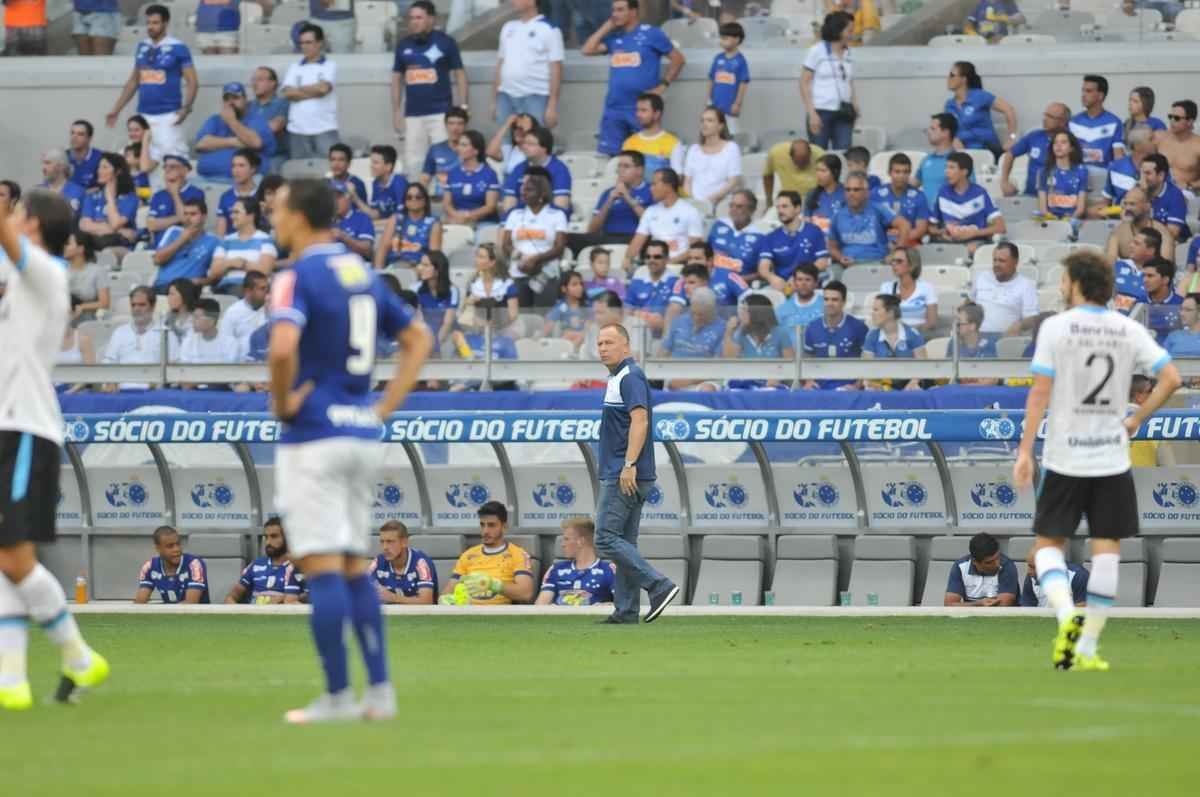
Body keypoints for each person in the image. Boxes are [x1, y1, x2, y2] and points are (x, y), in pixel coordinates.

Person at [267, 176, 432, 722]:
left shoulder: (296, 275)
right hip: (361, 431)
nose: (272, 215)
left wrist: (283, 402)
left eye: (278, 206)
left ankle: (337, 695)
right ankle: (379, 692)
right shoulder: (362, 271)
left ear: (297, 215)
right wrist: (382, 407)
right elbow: (419, 339)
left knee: (321, 564)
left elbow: (283, 345)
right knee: (356, 564)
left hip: (314, 434)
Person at [1013, 250, 1182, 671]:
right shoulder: (1125, 328)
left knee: (1048, 546)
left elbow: (1039, 392)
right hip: (1109, 455)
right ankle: (1088, 644)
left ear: (1075, 282)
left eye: (1064, 277)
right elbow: (1172, 378)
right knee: (1107, 551)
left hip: (1065, 454)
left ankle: (1066, 615)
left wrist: (1024, 450)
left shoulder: (1055, 327)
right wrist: (1137, 418)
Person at [0, 189, 111, 712]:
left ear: (35, 224)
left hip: (27, 431)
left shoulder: (45, 270)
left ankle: (78, 655)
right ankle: (13, 680)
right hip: (9, 428)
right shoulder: (23, 281)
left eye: (19, 213)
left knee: (14, 555)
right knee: (5, 558)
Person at [593, 323, 679, 623]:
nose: (602, 348)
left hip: (624, 472)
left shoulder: (629, 377)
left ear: (626, 347)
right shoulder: (618, 377)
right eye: (600, 343)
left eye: (609, 342)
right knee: (624, 543)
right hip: (628, 471)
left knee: (604, 538)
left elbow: (639, 421)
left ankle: (658, 585)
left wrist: (628, 465)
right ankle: (626, 610)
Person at [582, 0, 684, 157]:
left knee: (643, 158)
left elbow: (678, 59)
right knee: (610, 158)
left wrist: (663, 86)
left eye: (620, 10)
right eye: (613, 10)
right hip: (614, 108)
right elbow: (587, 50)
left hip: (641, 109)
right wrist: (607, 27)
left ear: (633, 11)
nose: (615, 14)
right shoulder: (614, 38)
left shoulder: (652, 33)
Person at [105, 5, 198, 165]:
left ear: (165, 23)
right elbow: (134, 81)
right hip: (143, 116)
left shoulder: (178, 47)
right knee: (135, 160)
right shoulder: (142, 46)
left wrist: (186, 108)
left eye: (155, 23)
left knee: (172, 160)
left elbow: (193, 82)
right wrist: (116, 109)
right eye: (148, 23)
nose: (150, 27)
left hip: (168, 115)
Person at [392, 1, 467, 178]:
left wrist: (463, 107)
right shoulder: (403, 45)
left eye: (419, 17)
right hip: (413, 114)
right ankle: (417, 199)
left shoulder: (446, 42)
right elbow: (396, 78)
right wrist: (396, 111)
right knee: (414, 161)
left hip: (441, 113)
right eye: (411, 18)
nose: (414, 22)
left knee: (445, 160)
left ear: (431, 19)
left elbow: (460, 74)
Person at [442, 502, 536, 605]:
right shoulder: (468, 555)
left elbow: (526, 593)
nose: (485, 531)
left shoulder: (518, 554)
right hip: (468, 612)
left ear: (504, 527)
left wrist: (494, 585)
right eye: (482, 525)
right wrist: (446, 600)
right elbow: (448, 591)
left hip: (500, 615)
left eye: (491, 525)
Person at [500, 173, 567, 307]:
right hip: (518, 271)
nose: (523, 192)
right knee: (521, 318)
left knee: (543, 317)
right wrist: (522, 258)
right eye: (523, 189)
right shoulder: (514, 215)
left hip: (546, 274)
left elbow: (559, 247)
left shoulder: (557, 215)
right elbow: (506, 244)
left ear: (542, 194)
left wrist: (536, 260)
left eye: (529, 190)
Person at [493, 0, 564, 128]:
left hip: (536, 95)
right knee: (505, 142)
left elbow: (556, 68)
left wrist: (552, 105)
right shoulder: (508, 27)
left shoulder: (550, 28)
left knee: (533, 141)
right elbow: (500, 63)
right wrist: (494, 99)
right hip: (506, 95)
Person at [624, 168, 703, 270]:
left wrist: (669, 263)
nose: (651, 188)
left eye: (654, 184)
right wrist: (627, 259)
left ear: (668, 186)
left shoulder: (690, 212)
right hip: (653, 265)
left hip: (679, 266)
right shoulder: (650, 211)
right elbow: (637, 241)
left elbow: (695, 249)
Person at [828, 172, 908, 272]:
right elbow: (832, 246)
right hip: (847, 265)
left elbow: (904, 225)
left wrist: (895, 253)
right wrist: (840, 258)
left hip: (876, 263)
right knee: (832, 273)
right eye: (847, 190)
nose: (851, 193)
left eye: (856, 190)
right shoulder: (838, 215)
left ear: (866, 192)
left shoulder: (878, 209)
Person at [802, 12, 859, 151]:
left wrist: (855, 103)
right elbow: (804, 82)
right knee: (819, 155)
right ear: (838, 30)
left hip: (844, 112)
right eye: (849, 30)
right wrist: (812, 113)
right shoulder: (817, 51)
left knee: (844, 152)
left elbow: (849, 80)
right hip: (821, 111)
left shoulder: (848, 53)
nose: (852, 34)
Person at [929, 151, 1006, 254]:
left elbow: (1000, 227)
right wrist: (942, 232)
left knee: (971, 249)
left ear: (964, 172)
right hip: (949, 242)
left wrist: (973, 233)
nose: (946, 171)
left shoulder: (980, 194)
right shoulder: (943, 193)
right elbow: (931, 227)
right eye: (946, 167)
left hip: (975, 241)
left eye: (951, 168)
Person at [281, 24, 339, 161]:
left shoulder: (330, 65)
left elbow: (323, 89)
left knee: (328, 173)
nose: (304, 46)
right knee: (300, 176)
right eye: (301, 43)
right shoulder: (294, 67)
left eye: (309, 42)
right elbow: (288, 94)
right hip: (297, 131)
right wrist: (314, 90)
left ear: (320, 43)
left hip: (324, 129)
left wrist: (298, 89)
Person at [943, 61, 1018, 160]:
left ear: (963, 79)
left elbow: (1009, 110)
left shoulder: (980, 96)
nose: (948, 78)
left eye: (952, 75)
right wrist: (954, 139)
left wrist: (1011, 138)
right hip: (963, 155)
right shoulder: (949, 105)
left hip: (986, 150)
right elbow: (947, 130)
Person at [756, 191, 829, 291]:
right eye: (778, 207)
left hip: (807, 284)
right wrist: (772, 278)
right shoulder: (771, 237)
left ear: (797, 209)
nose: (780, 211)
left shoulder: (814, 231)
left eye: (785, 206)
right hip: (781, 286)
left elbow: (822, 262)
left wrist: (799, 277)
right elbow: (763, 267)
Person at [802, 280, 868, 390]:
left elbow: (868, 361)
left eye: (835, 300)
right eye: (826, 299)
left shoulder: (859, 327)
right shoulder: (812, 327)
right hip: (819, 386)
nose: (829, 303)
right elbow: (807, 358)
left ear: (844, 302)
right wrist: (809, 381)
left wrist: (857, 385)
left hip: (848, 387)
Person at [535, 519, 615, 606]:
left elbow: (623, 604)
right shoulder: (556, 569)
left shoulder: (609, 570)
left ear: (581, 541)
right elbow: (541, 604)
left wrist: (607, 605)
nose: (562, 544)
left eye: (566, 539)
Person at [224, 519, 304, 605]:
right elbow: (231, 597)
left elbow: (309, 596)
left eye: (274, 536)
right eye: (266, 537)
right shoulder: (256, 565)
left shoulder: (299, 566)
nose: (268, 542)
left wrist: (285, 598)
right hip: (254, 616)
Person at [723, 293, 794, 389]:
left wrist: (778, 377)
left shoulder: (780, 333)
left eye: (745, 310)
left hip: (772, 382)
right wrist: (728, 333)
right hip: (746, 381)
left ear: (757, 313)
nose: (741, 314)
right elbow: (729, 358)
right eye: (741, 310)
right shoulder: (741, 332)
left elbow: (790, 363)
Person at [1001, 102, 1071, 198]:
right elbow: (1010, 154)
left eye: (1050, 117)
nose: (1045, 119)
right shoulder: (1034, 136)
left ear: (1063, 122)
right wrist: (1004, 181)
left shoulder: (1071, 141)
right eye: (1045, 115)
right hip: (1030, 195)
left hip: (1058, 198)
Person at [659, 287, 724, 389]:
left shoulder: (722, 327)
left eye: (701, 315)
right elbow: (664, 353)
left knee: (707, 390)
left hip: (705, 377)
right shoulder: (678, 321)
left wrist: (690, 380)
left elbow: (718, 366)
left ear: (712, 310)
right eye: (693, 313)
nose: (696, 318)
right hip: (676, 373)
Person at [969, 242, 1037, 336]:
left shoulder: (1026, 285)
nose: (996, 264)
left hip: (1005, 341)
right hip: (977, 337)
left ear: (1015, 262)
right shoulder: (982, 277)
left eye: (1001, 261)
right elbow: (969, 302)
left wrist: (1020, 325)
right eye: (994, 260)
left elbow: (1032, 318)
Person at [500, 128, 573, 217]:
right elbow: (509, 202)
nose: (525, 147)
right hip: (521, 219)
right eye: (524, 143)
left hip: (549, 221)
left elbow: (561, 205)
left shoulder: (559, 169)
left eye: (531, 144)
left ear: (544, 148)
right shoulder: (519, 168)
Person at [152, 197, 219, 293]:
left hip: (189, 289)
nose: (187, 218)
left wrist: (200, 281)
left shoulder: (213, 241)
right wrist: (181, 240)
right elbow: (157, 260)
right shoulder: (173, 231)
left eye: (193, 214)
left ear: (204, 217)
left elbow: (216, 277)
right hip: (163, 285)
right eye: (185, 214)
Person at [862, 293, 927, 391]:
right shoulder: (872, 336)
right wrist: (874, 385)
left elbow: (923, 367)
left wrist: (912, 384)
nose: (872, 313)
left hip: (909, 387)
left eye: (876, 310)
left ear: (890, 312)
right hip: (881, 387)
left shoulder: (913, 334)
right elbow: (866, 371)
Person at [662, 256, 746, 329]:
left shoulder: (721, 322)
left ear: (705, 283)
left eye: (692, 283)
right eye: (685, 283)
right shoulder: (682, 321)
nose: (685, 287)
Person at [78, 152, 139, 252]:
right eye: (99, 167)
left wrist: (109, 198)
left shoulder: (130, 198)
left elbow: (115, 223)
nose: (99, 171)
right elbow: (85, 225)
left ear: (118, 171)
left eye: (105, 167)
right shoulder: (92, 196)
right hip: (94, 242)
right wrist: (119, 231)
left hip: (119, 247)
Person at [133, 526, 210, 604]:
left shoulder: (194, 564)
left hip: (195, 615)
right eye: (170, 546)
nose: (176, 549)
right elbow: (140, 603)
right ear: (158, 548)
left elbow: (191, 603)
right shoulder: (149, 567)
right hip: (169, 613)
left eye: (178, 544)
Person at [682, 108, 742, 207]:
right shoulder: (694, 149)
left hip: (721, 203)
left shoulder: (731, 148)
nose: (704, 124)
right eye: (702, 120)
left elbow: (733, 181)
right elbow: (687, 181)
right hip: (694, 204)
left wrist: (712, 199)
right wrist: (692, 202)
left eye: (710, 120)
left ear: (720, 126)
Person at [368, 521, 437, 605]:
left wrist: (392, 597)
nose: (385, 547)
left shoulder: (421, 563)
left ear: (404, 542)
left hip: (420, 615)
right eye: (382, 542)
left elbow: (426, 601)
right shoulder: (379, 561)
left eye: (390, 542)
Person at [1069, 74, 1126, 177]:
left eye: (1089, 91)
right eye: (1083, 90)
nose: (1083, 95)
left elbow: (1119, 157)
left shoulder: (1114, 122)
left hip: (1103, 177)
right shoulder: (1073, 122)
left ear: (1100, 95)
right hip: (1077, 177)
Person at [442, 131, 500, 229]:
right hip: (457, 220)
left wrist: (468, 215)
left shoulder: (489, 174)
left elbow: (490, 206)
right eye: (459, 144)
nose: (458, 148)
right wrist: (456, 215)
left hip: (483, 222)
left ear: (476, 151)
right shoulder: (453, 173)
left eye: (464, 145)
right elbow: (447, 204)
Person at [943, 532, 1019, 606]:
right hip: (972, 616)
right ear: (974, 562)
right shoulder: (960, 567)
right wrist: (977, 604)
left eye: (998, 557)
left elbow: (1003, 605)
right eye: (989, 562)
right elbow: (949, 605)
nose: (997, 564)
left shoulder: (1007, 566)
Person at [377, 183, 441, 269]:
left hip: (418, 268)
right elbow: (382, 249)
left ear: (425, 201)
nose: (413, 200)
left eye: (418, 197)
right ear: (405, 202)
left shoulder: (433, 223)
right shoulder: (396, 219)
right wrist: (378, 273)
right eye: (409, 197)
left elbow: (434, 257)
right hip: (393, 266)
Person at [589, 150, 652, 237]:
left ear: (640, 170)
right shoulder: (608, 193)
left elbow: (653, 225)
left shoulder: (652, 191)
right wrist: (609, 201)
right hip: (608, 241)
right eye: (619, 166)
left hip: (636, 240)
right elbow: (591, 230)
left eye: (626, 166)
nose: (620, 170)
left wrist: (627, 196)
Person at [146, 154, 205, 248]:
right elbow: (152, 225)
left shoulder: (196, 193)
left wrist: (175, 194)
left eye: (173, 167)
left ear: (185, 170)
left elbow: (188, 222)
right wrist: (178, 218)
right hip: (158, 247)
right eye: (165, 166)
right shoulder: (158, 195)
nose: (167, 170)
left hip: (184, 247)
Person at [1104, 187, 1174, 265]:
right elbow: (1109, 266)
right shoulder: (1118, 233)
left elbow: (1166, 269)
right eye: (1125, 204)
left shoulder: (1163, 234)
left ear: (1147, 205)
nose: (1127, 208)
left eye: (1132, 204)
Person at [872, 153, 929, 248]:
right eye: (897, 172)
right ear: (889, 173)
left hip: (909, 243)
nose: (901, 176)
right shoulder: (876, 194)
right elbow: (870, 226)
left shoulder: (919, 196)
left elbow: (920, 229)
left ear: (910, 173)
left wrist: (899, 238)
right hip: (881, 244)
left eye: (905, 172)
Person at [622, 93, 685, 178]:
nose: (638, 114)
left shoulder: (674, 144)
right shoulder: (629, 142)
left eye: (643, 110)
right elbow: (621, 175)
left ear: (657, 114)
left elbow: (677, 178)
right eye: (637, 110)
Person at [706, 189, 766, 277]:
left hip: (740, 283)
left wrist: (738, 281)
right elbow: (703, 255)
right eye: (731, 206)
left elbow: (762, 272)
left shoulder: (760, 237)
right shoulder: (719, 225)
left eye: (739, 206)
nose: (733, 210)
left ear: (752, 210)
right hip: (709, 278)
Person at [1097, 124, 1156, 212]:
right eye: (1151, 139)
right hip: (1120, 219)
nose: (1155, 142)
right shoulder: (1115, 167)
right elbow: (1106, 202)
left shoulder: (1160, 167)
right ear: (1137, 146)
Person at [879, 247, 937, 335]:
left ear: (912, 265)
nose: (894, 264)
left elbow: (931, 322)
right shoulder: (886, 288)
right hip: (893, 336)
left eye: (899, 261)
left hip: (919, 336)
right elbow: (882, 319)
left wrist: (911, 335)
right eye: (892, 261)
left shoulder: (927, 288)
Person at [624, 239, 677, 334]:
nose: (651, 260)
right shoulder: (637, 281)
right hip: (636, 332)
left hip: (663, 334)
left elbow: (674, 316)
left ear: (667, 258)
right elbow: (627, 311)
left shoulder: (675, 282)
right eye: (648, 257)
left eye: (657, 257)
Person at [706, 22, 749, 135]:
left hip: (730, 107)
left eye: (725, 38)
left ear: (736, 39)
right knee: (714, 132)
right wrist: (709, 99)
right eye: (721, 38)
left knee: (733, 132)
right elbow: (711, 79)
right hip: (715, 105)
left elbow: (743, 83)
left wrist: (737, 103)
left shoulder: (740, 61)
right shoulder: (717, 58)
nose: (721, 41)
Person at [1038, 130, 1089, 224]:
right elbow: (1043, 208)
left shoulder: (1082, 171)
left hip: (1072, 220)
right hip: (1050, 221)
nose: (1058, 145)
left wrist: (1069, 219)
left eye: (1063, 142)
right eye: (1055, 143)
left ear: (1071, 148)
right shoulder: (1044, 172)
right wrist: (1051, 219)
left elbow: (1080, 209)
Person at [464, 243, 519, 324]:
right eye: (477, 256)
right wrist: (468, 304)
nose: (476, 260)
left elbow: (513, 316)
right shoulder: (473, 283)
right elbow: (465, 315)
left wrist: (491, 324)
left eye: (481, 257)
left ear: (492, 262)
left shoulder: (507, 285)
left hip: (504, 329)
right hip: (479, 329)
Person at [178, 297, 240, 367]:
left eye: (197, 317)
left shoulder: (230, 344)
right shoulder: (188, 342)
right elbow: (184, 372)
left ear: (212, 320)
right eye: (193, 317)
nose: (192, 321)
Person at [1155, 100, 1200, 197]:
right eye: (1170, 117)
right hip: (1159, 192)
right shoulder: (1159, 138)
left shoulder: (1197, 145)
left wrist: (1190, 185)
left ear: (1190, 121)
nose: (1171, 121)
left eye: (1177, 118)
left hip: (1186, 194)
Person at [1141, 153, 1190, 242]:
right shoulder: (1137, 191)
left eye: (1147, 173)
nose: (1142, 178)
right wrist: (1142, 194)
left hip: (1174, 243)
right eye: (1141, 173)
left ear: (1161, 176)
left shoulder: (1175, 196)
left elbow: (1172, 234)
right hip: (1144, 241)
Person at [415, 251, 459, 349]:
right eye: (420, 264)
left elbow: (447, 323)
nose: (420, 268)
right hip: (426, 334)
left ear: (438, 269)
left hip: (448, 335)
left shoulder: (452, 290)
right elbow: (419, 320)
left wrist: (435, 346)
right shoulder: (415, 289)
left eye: (425, 265)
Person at [913, 113, 958, 208]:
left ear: (946, 132)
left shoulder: (960, 161)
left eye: (933, 129)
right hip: (926, 219)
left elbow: (969, 192)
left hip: (949, 219)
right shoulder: (926, 160)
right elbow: (913, 185)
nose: (928, 132)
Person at [218, 270, 269, 354]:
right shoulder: (233, 312)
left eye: (267, 288)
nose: (267, 292)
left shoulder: (272, 309)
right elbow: (226, 346)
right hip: (242, 363)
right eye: (262, 289)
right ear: (248, 291)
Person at [248, 66, 290, 166]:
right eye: (254, 80)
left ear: (272, 83)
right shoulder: (248, 106)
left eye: (260, 80)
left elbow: (275, 126)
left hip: (274, 156)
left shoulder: (283, 103)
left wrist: (247, 133)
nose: (255, 83)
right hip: (250, 154)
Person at [1113, 226, 1158, 314]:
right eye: (1132, 242)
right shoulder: (1117, 265)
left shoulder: (1159, 274)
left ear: (1150, 250)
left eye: (1136, 244)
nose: (1131, 246)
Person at [357, 145, 408, 222]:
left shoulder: (399, 183)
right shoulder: (376, 183)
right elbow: (375, 214)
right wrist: (354, 197)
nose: (371, 166)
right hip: (384, 226)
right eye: (371, 162)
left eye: (376, 163)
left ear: (388, 166)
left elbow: (402, 215)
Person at [329, 180, 375, 262]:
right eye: (331, 198)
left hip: (353, 265)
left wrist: (344, 237)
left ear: (348, 198)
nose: (334, 202)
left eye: (338, 197)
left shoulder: (361, 218)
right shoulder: (325, 220)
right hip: (330, 264)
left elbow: (367, 250)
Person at [1021, 555, 1089, 608]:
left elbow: (1082, 611)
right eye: (1029, 566)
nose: (1029, 572)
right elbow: (1027, 610)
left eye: (1033, 567)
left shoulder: (1079, 576)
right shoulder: (1032, 577)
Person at [1142, 257, 1183, 344]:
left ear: (1165, 280)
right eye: (1144, 276)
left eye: (1150, 276)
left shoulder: (1182, 304)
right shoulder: (1137, 303)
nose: (1145, 280)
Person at [804, 154, 846, 234]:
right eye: (817, 170)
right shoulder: (811, 194)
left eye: (823, 171)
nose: (818, 174)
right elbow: (806, 222)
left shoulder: (846, 193)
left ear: (835, 172)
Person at [774, 263, 825, 330]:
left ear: (816, 283)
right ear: (795, 282)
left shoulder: (826, 305)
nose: (803, 283)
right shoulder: (782, 309)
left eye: (808, 279)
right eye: (800, 279)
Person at [486, 112, 537, 178]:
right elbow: (490, 152)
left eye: (521, 128)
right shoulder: (509, 149)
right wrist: (507, 124)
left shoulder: (536, 150)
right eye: (515, 127)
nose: (517, 131)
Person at [546, 270, 589, 346]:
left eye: (581, 284)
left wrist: (579, 335)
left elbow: (590, 329)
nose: (580, 287)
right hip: (567, 342)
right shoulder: (561, 307)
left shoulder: (587, 306)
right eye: (574, 284)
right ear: (564, 289)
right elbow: (548, 326)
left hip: (585, 344)